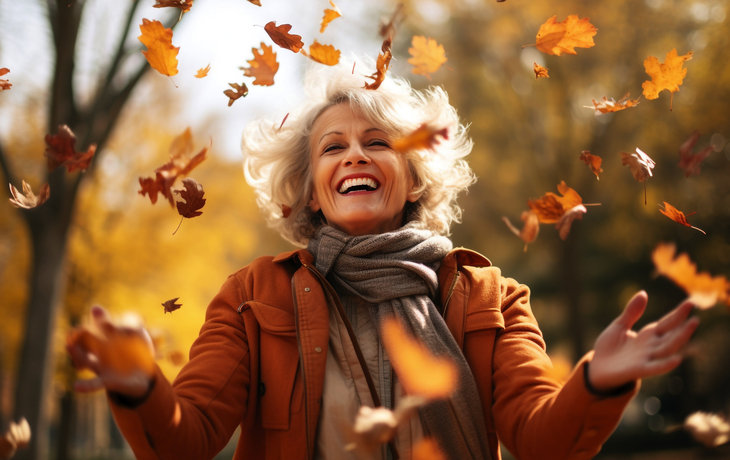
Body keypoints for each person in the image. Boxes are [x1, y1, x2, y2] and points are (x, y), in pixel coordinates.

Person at [66, 62, 699, 460]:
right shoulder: (252, 296)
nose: (354, 157)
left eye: (378, 143)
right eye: (332, 148)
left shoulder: (490, 296)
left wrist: (599, 381)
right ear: (311, 188)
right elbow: (189, 437)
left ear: (414, 176)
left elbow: (540, 440)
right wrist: (141, 386)